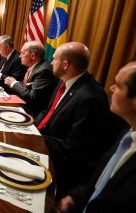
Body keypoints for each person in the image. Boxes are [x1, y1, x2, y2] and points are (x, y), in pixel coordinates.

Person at [34, 42, 121, 196]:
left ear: (65, 64)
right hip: (44, 142)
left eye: (54, 59)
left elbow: (74, 147)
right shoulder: (64, 81)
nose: (51, 63)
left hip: (59, 163)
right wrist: (29, 127)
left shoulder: (90, 97)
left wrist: (36, 137)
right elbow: (48, 111)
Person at [54, 60, 136, 212]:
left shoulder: (90, 96)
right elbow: (102, 177)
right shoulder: (128, 130)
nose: (110, 89)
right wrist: (74, 198)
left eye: (117, 85)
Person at [3, 41, 59, 117]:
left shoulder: (44, 70)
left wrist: (14, 83)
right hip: (23, 105)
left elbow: (32, 97)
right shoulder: (35, 65)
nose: (19, 56)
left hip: (32, 112)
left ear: (32, 56)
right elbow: (27, 87)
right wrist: (15, 83)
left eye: (22, 53)